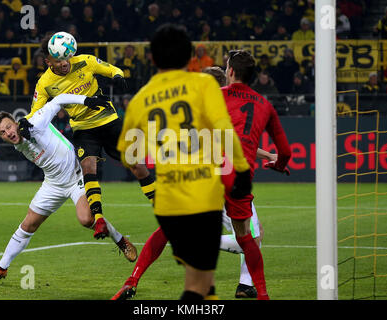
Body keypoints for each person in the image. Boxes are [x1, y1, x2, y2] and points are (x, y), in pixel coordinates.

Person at [115, 24, 252, 300]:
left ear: (153, 59)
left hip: (171, 189)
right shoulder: (202, 86)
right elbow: (226, 132)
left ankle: (132, 280)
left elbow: (129, 155)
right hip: (209, 183)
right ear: (189, 56)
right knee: (236, 251)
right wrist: (242, 171)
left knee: (170, 237)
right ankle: (245, 284)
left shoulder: (142, 98)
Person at [0, 94, 137, 284]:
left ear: (15, 122)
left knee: (86, 219)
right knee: (28, 225)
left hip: (76, 176)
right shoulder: (17, 145)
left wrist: (86, 100)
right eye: (2, 133)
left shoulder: (35, 121)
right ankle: (1, 267)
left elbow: (58, 99)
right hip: (53, 184)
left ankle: (120, 240)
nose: (8, 133)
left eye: (9, 127)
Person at [26, 32, 156, 242]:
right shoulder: (44, 84)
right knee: (88, 166)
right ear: (48, 61)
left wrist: (118, 76)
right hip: (84, 129)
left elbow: (111, 68)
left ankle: (161, 206)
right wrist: (25, 121)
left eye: (66, 58)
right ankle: (99, 219)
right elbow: (35, 112)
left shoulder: (85, 61)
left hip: (109, 121)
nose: (64, 63)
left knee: (137, 166)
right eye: (59, 61)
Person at [219, 49, 291, 300]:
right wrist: (278, 161)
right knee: (252, 235)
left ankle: (246, 285)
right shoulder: (263, 104)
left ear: (230, 71)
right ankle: (256, 290)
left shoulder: (217, 98)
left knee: (251, 234)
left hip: (207, 175)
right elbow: (286, 151)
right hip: (236, 179)